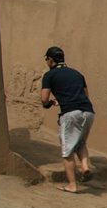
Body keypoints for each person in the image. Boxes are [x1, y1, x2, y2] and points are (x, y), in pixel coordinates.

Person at [40, 46, 95, 194]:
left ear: (51, 60)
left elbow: (44, 99)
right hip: (88, 112)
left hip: (71, 113)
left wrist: (51, 103)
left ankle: (72, 185)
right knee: (80, 142)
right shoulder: (77, 74)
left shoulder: (49, 75)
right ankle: (84, 166)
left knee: (67, 151)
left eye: (47, 59)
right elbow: (86, 96)